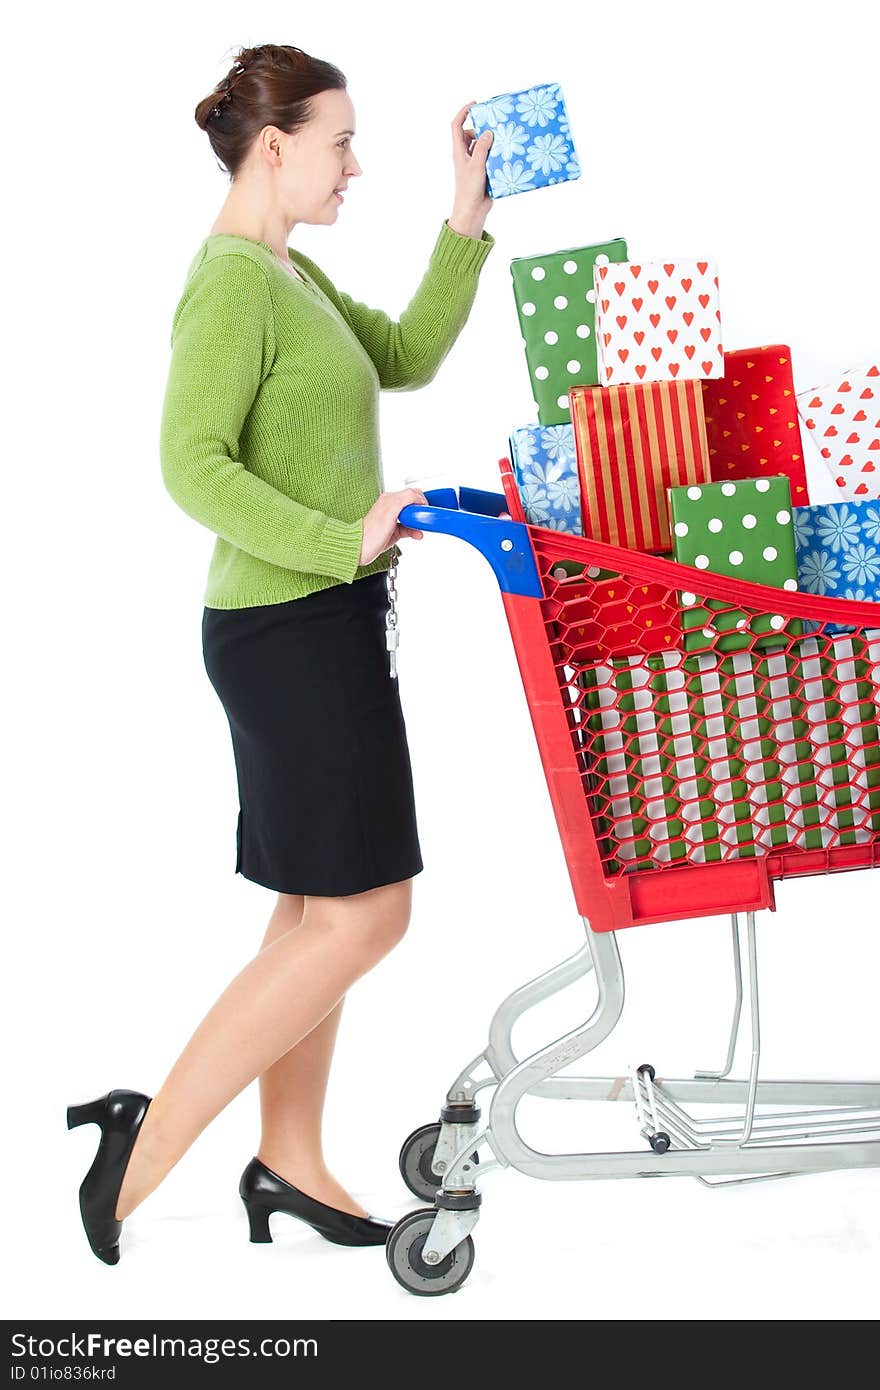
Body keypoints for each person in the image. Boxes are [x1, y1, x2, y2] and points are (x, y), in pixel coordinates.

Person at [67, 42, 495, 1264]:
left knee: (319, 907)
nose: (354, 166)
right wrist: (337, 535)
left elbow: (404, 354)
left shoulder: (289, 277)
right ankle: (136, 1146)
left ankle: (289, 1160)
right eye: (341, 142)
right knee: (371, 915)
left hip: (314, 622)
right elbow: (188, 462)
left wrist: (462, 219)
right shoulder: (231, 284)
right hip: (288, 627)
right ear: (274, 146)